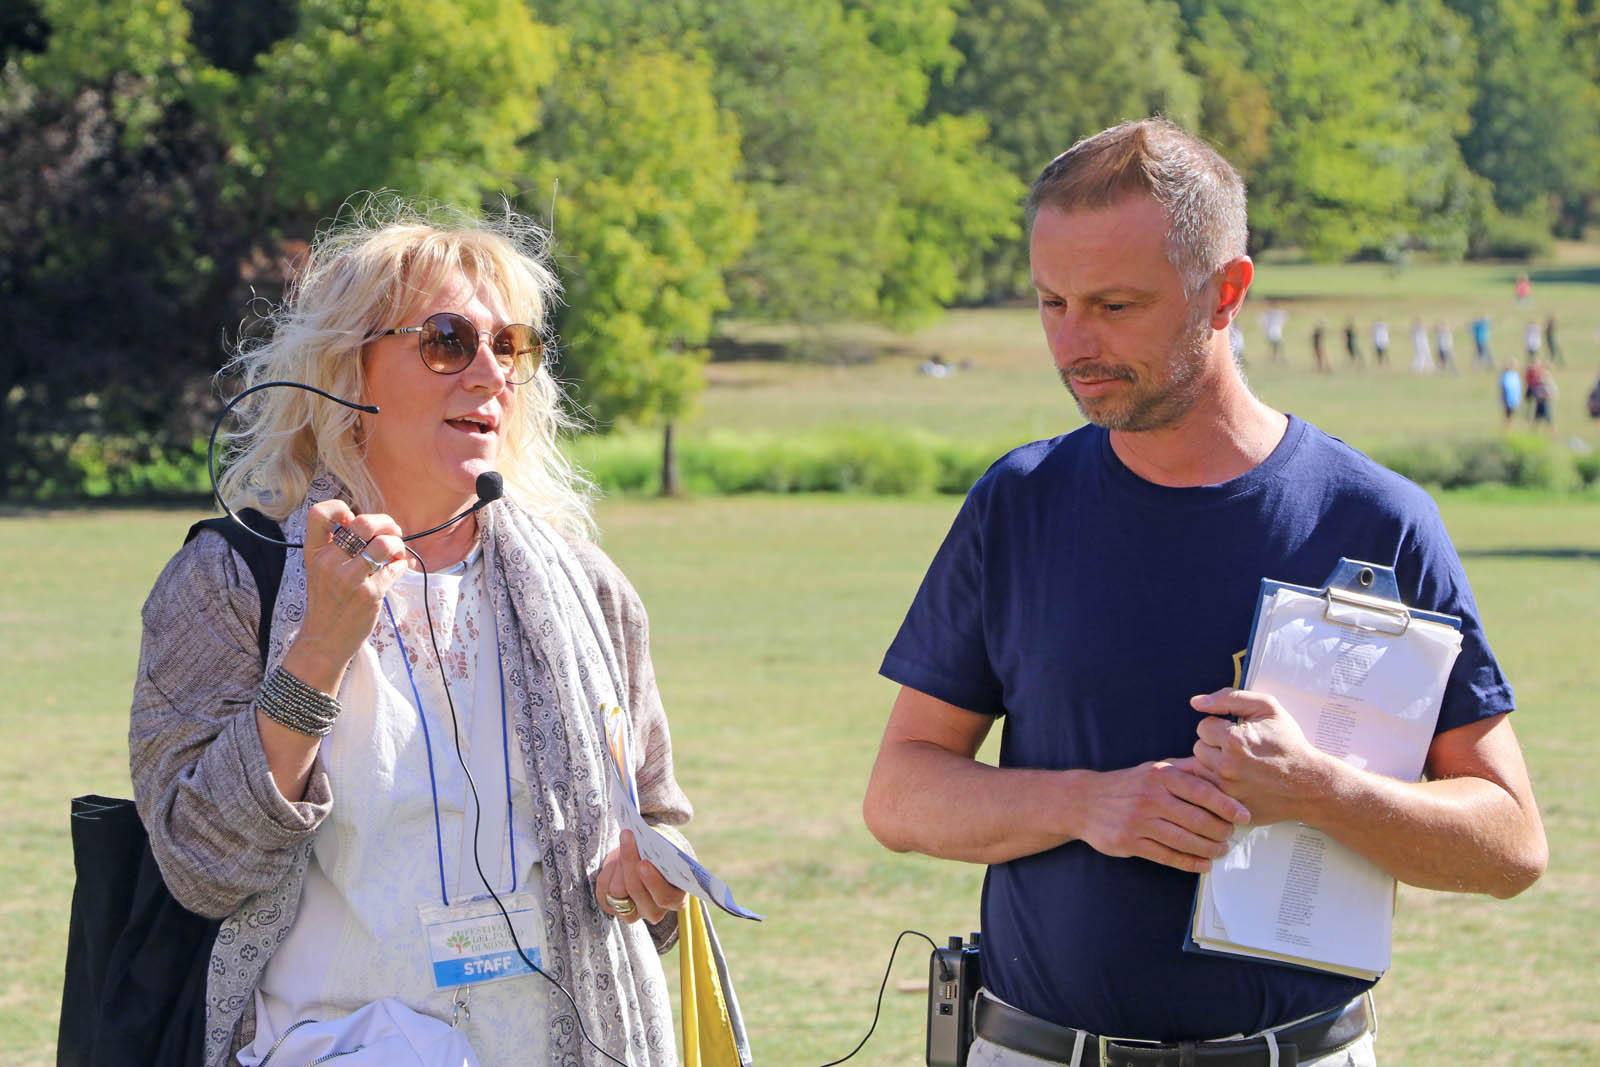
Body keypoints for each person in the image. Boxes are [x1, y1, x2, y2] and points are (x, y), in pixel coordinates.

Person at [863, 118, 1546, 1067]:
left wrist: (1318, 789)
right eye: (1052, 301)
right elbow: (900, 794)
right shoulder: (1016, 503)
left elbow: (1510, 842)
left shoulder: (1378, 521)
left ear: (1226, 292)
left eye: (1115, 305)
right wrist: (1089, 804)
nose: (1074, 343)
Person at [131, 203, 695, 1067]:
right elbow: (202, 862)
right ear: (347, 373)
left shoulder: (588, 591)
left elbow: (656, 820)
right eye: (446, 340)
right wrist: (319, 647)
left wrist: (653, 872)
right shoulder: (231, 581)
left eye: (511, 347)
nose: (490, 373)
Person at [1524, 354, 1555, 428]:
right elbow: (1527, 379)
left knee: (1548, 420)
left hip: (1545, 402)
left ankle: (1551, 434)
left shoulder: (1547, 382)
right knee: (1537, 418)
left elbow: (1553, 392)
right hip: (1536, 395)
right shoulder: (1531, 371)